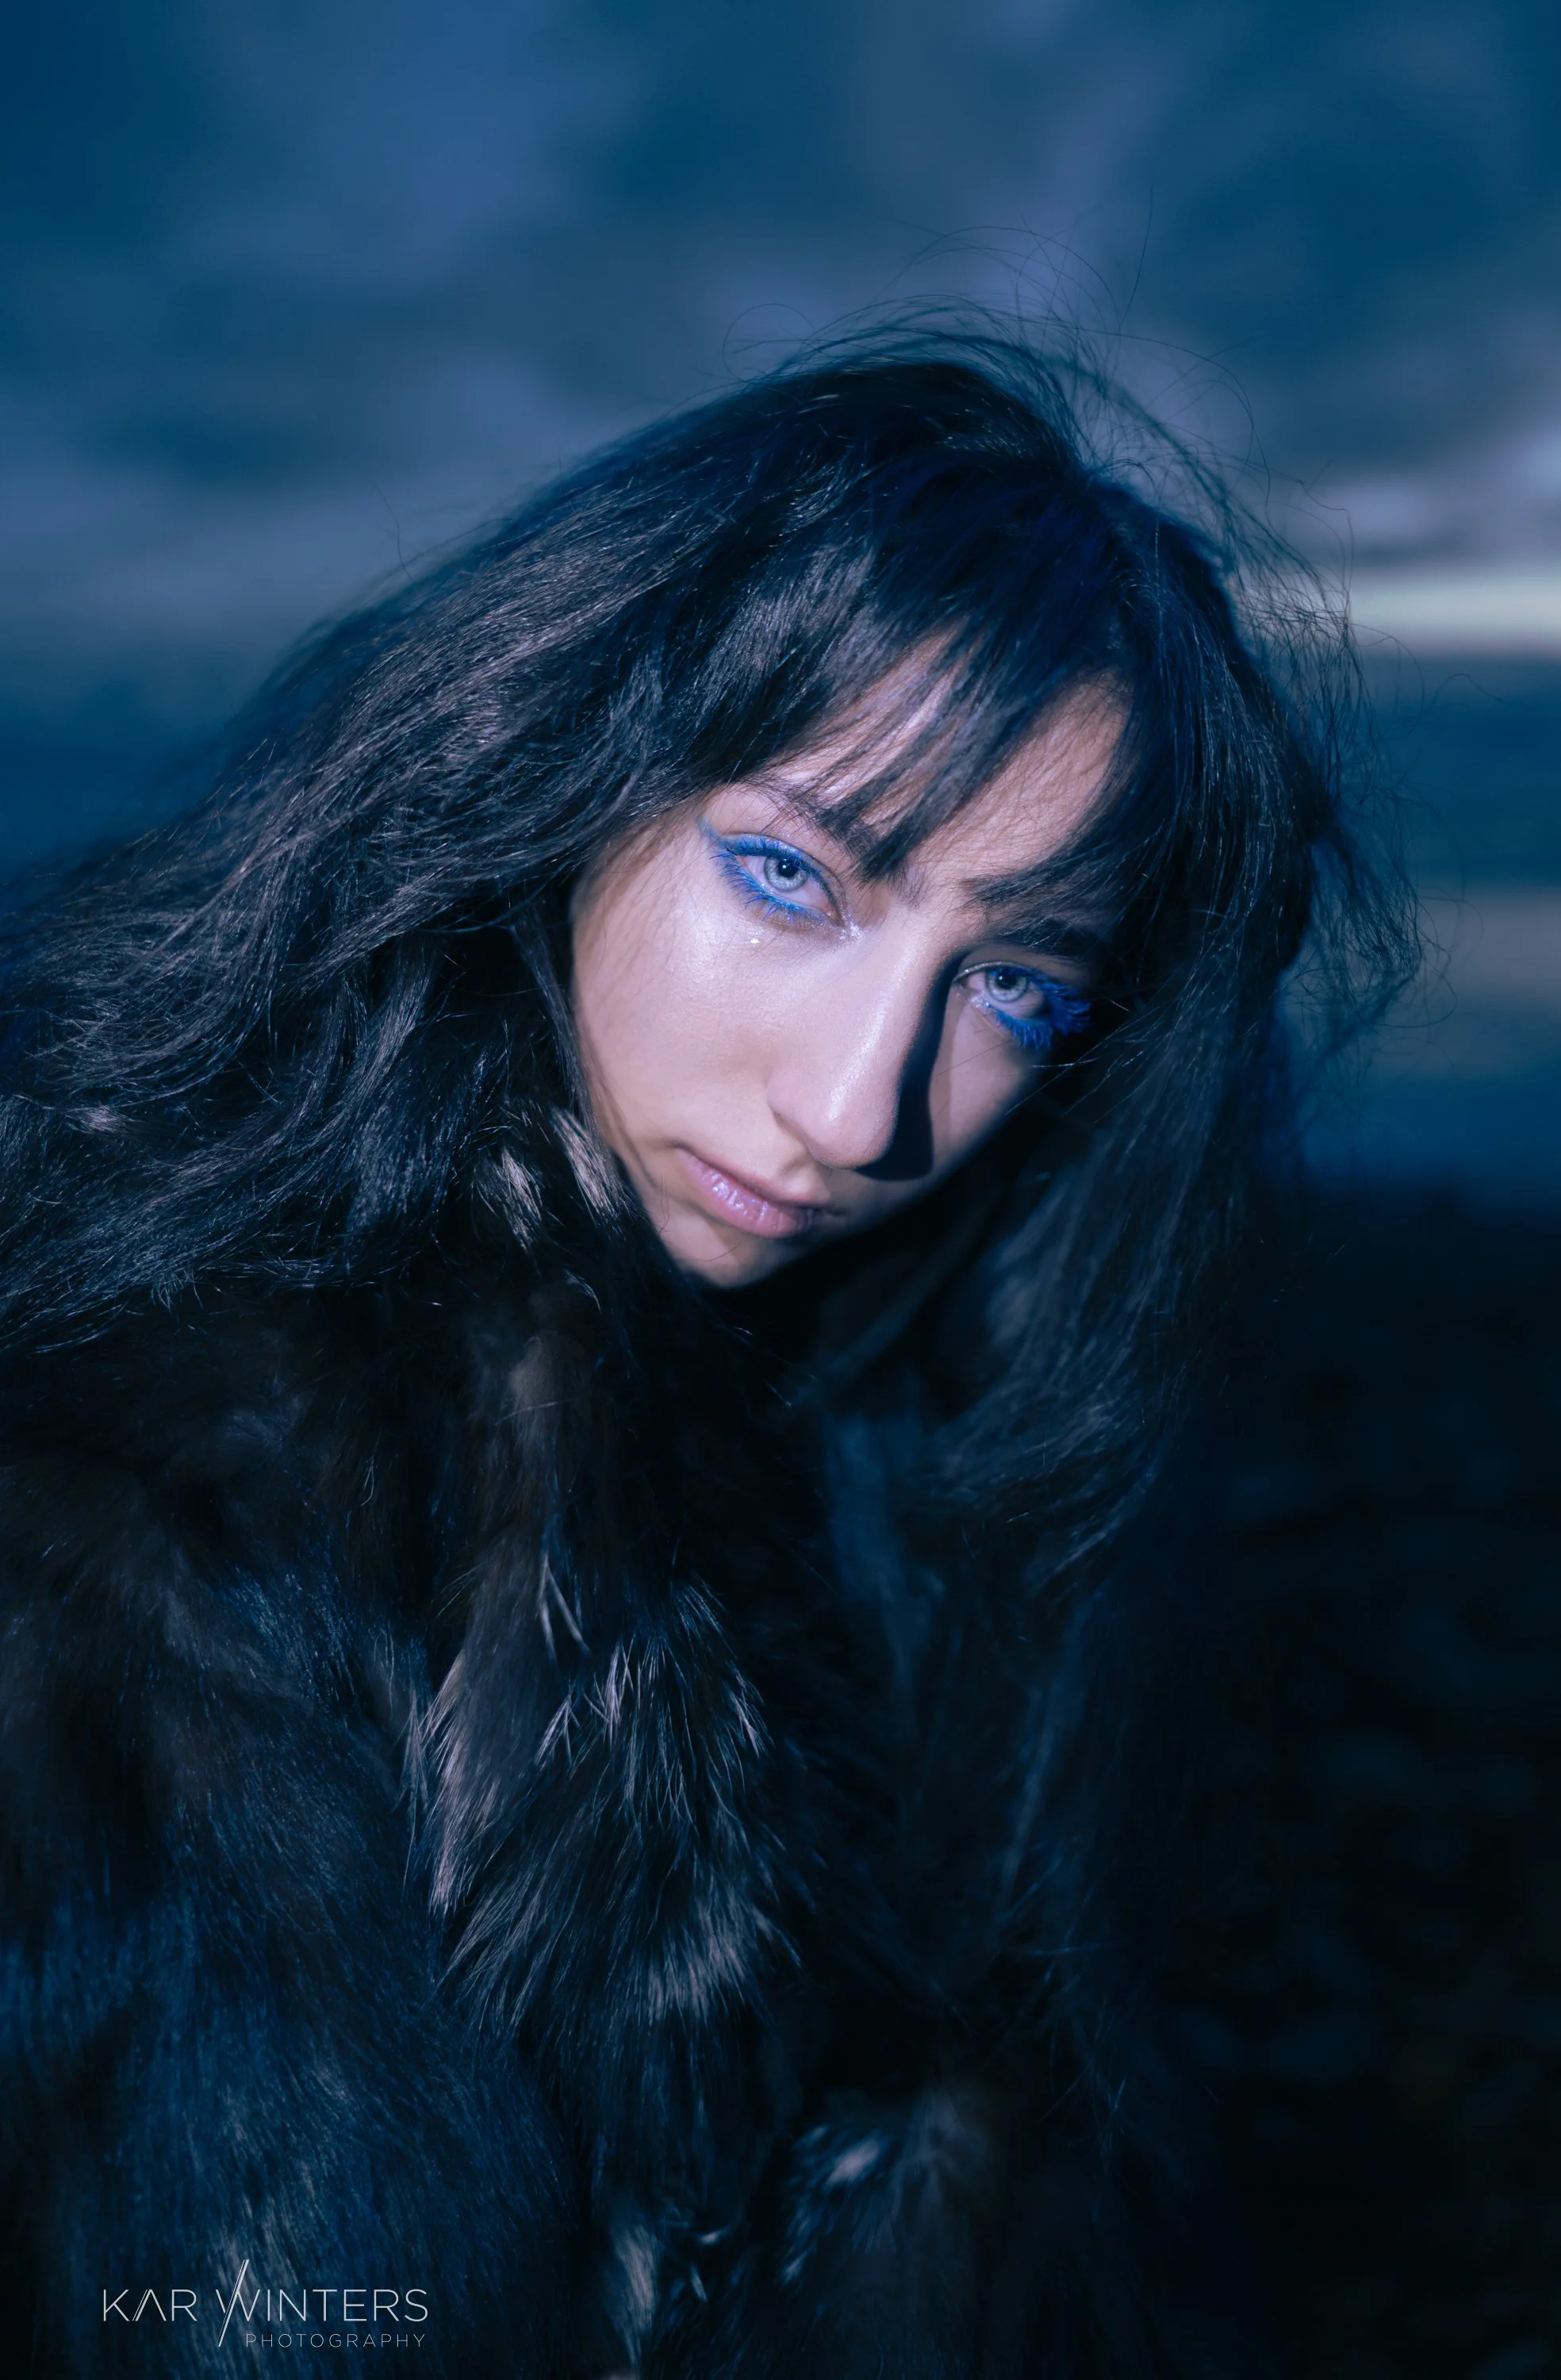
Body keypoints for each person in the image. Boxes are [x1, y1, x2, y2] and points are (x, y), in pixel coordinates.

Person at [0, 333, 1405, 2376]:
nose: (857, 1111)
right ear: (562, 777)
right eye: (790, 878)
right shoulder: (114, 1516)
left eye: (1012, 983)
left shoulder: (925, 1434)